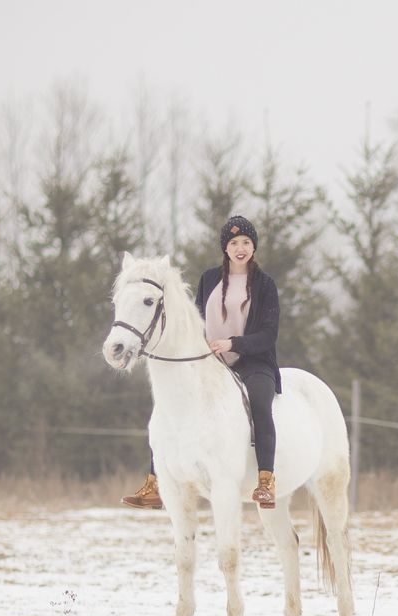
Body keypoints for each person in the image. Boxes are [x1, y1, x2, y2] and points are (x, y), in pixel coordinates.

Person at [120, 215, 283, 509]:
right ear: (225, 248)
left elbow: (268, 334)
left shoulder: (265, 285)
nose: (240, 248)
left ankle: (265, 480)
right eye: (234, 243)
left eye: (246, 242)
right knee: (169, 403)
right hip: (211, 361)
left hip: (254, 362)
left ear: (254, 247)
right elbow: (194, 320)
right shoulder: (209, 279)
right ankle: (155, 481)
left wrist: (233, 343)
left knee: (259, 401)